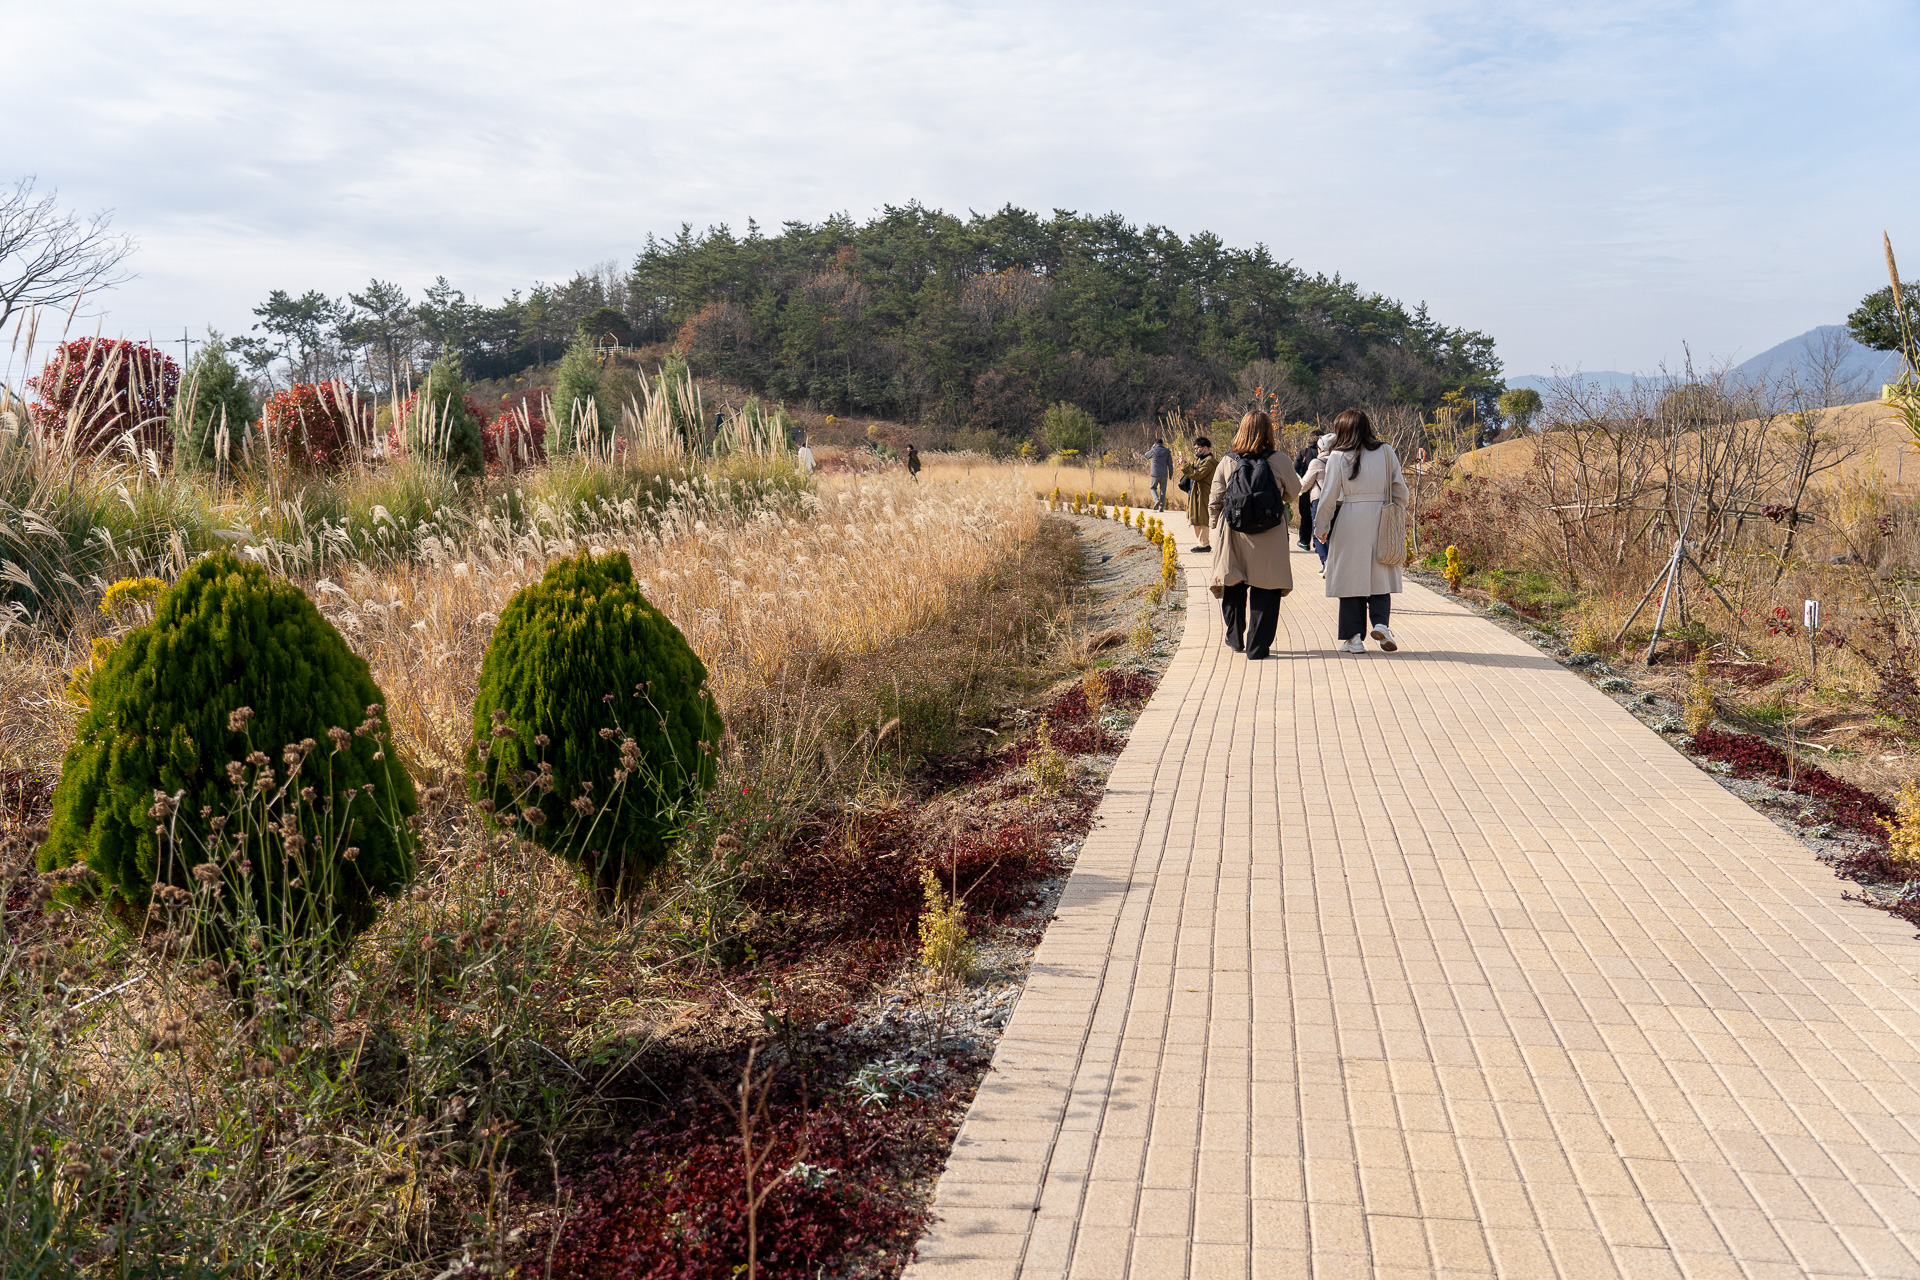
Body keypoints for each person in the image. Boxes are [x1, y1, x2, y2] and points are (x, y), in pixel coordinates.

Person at [1313, 408, 1410, 654]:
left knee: (1350, 580)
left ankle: (1353, 638)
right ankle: (1381, 624)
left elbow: (1328, 496)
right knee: (1380, 577)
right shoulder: (1386, 451)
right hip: (1381, 518)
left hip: (1350, 519)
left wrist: (1321, 527)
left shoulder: (1337, 456)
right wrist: (1396, 512)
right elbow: (1401, 490)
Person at [1207, 411, 1302, 660]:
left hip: (1234, 532)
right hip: (1269, 534)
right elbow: (1294, 492)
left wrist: (1215, 532)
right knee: (1266, 588)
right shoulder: (1279, 460)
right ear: (1269, 431)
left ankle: (1235, 638)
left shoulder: (1228, 461)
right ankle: (1258, 647)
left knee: (1233, 584)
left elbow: (1215, 500)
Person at [1299, 433, 1336, 571]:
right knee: (1333, 533)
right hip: (1337, 502)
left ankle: (1326, 562)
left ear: (1322, 448)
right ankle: (1334, 563)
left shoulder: (1316, 463)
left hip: (1319, 501)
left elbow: (1304, 485)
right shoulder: (1340, 461)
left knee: (1318, 533)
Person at [1178, 436, 1218, 553]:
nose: (1196, 451)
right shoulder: (1199, 460)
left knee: (1202, 518)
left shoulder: (1210, 461)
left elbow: (1197, 474)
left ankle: (1205, 544)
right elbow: (1193, 471)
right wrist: (1184, 463)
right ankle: (1201, 543)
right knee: (1195, 518)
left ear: (1205, 448)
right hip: (1195, 493)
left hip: (1203, 494)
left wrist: (1185, 466)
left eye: (1197, 448)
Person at [1292, 437, 1318, 550]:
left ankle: (1304, 541)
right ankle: (1318, 543)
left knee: (1305, 516)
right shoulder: (1330, 454)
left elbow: (1294, 469)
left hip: (1305, 490)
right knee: (1319, 517)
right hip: (1322, 491)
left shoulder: (1304, 453)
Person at [1144, 438, 1172, 510]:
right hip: (1164, 474)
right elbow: (1170, 464)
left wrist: (1152, 447)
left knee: (1153, 488)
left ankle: (1156, 499)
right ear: (1162, 443)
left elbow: (1146, 455)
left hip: (1155, 473)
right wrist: (1170, 474)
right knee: (1163, 490)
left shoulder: (1153, 450)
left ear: (1155, 443)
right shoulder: (1167, 451)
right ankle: (1161, 507)